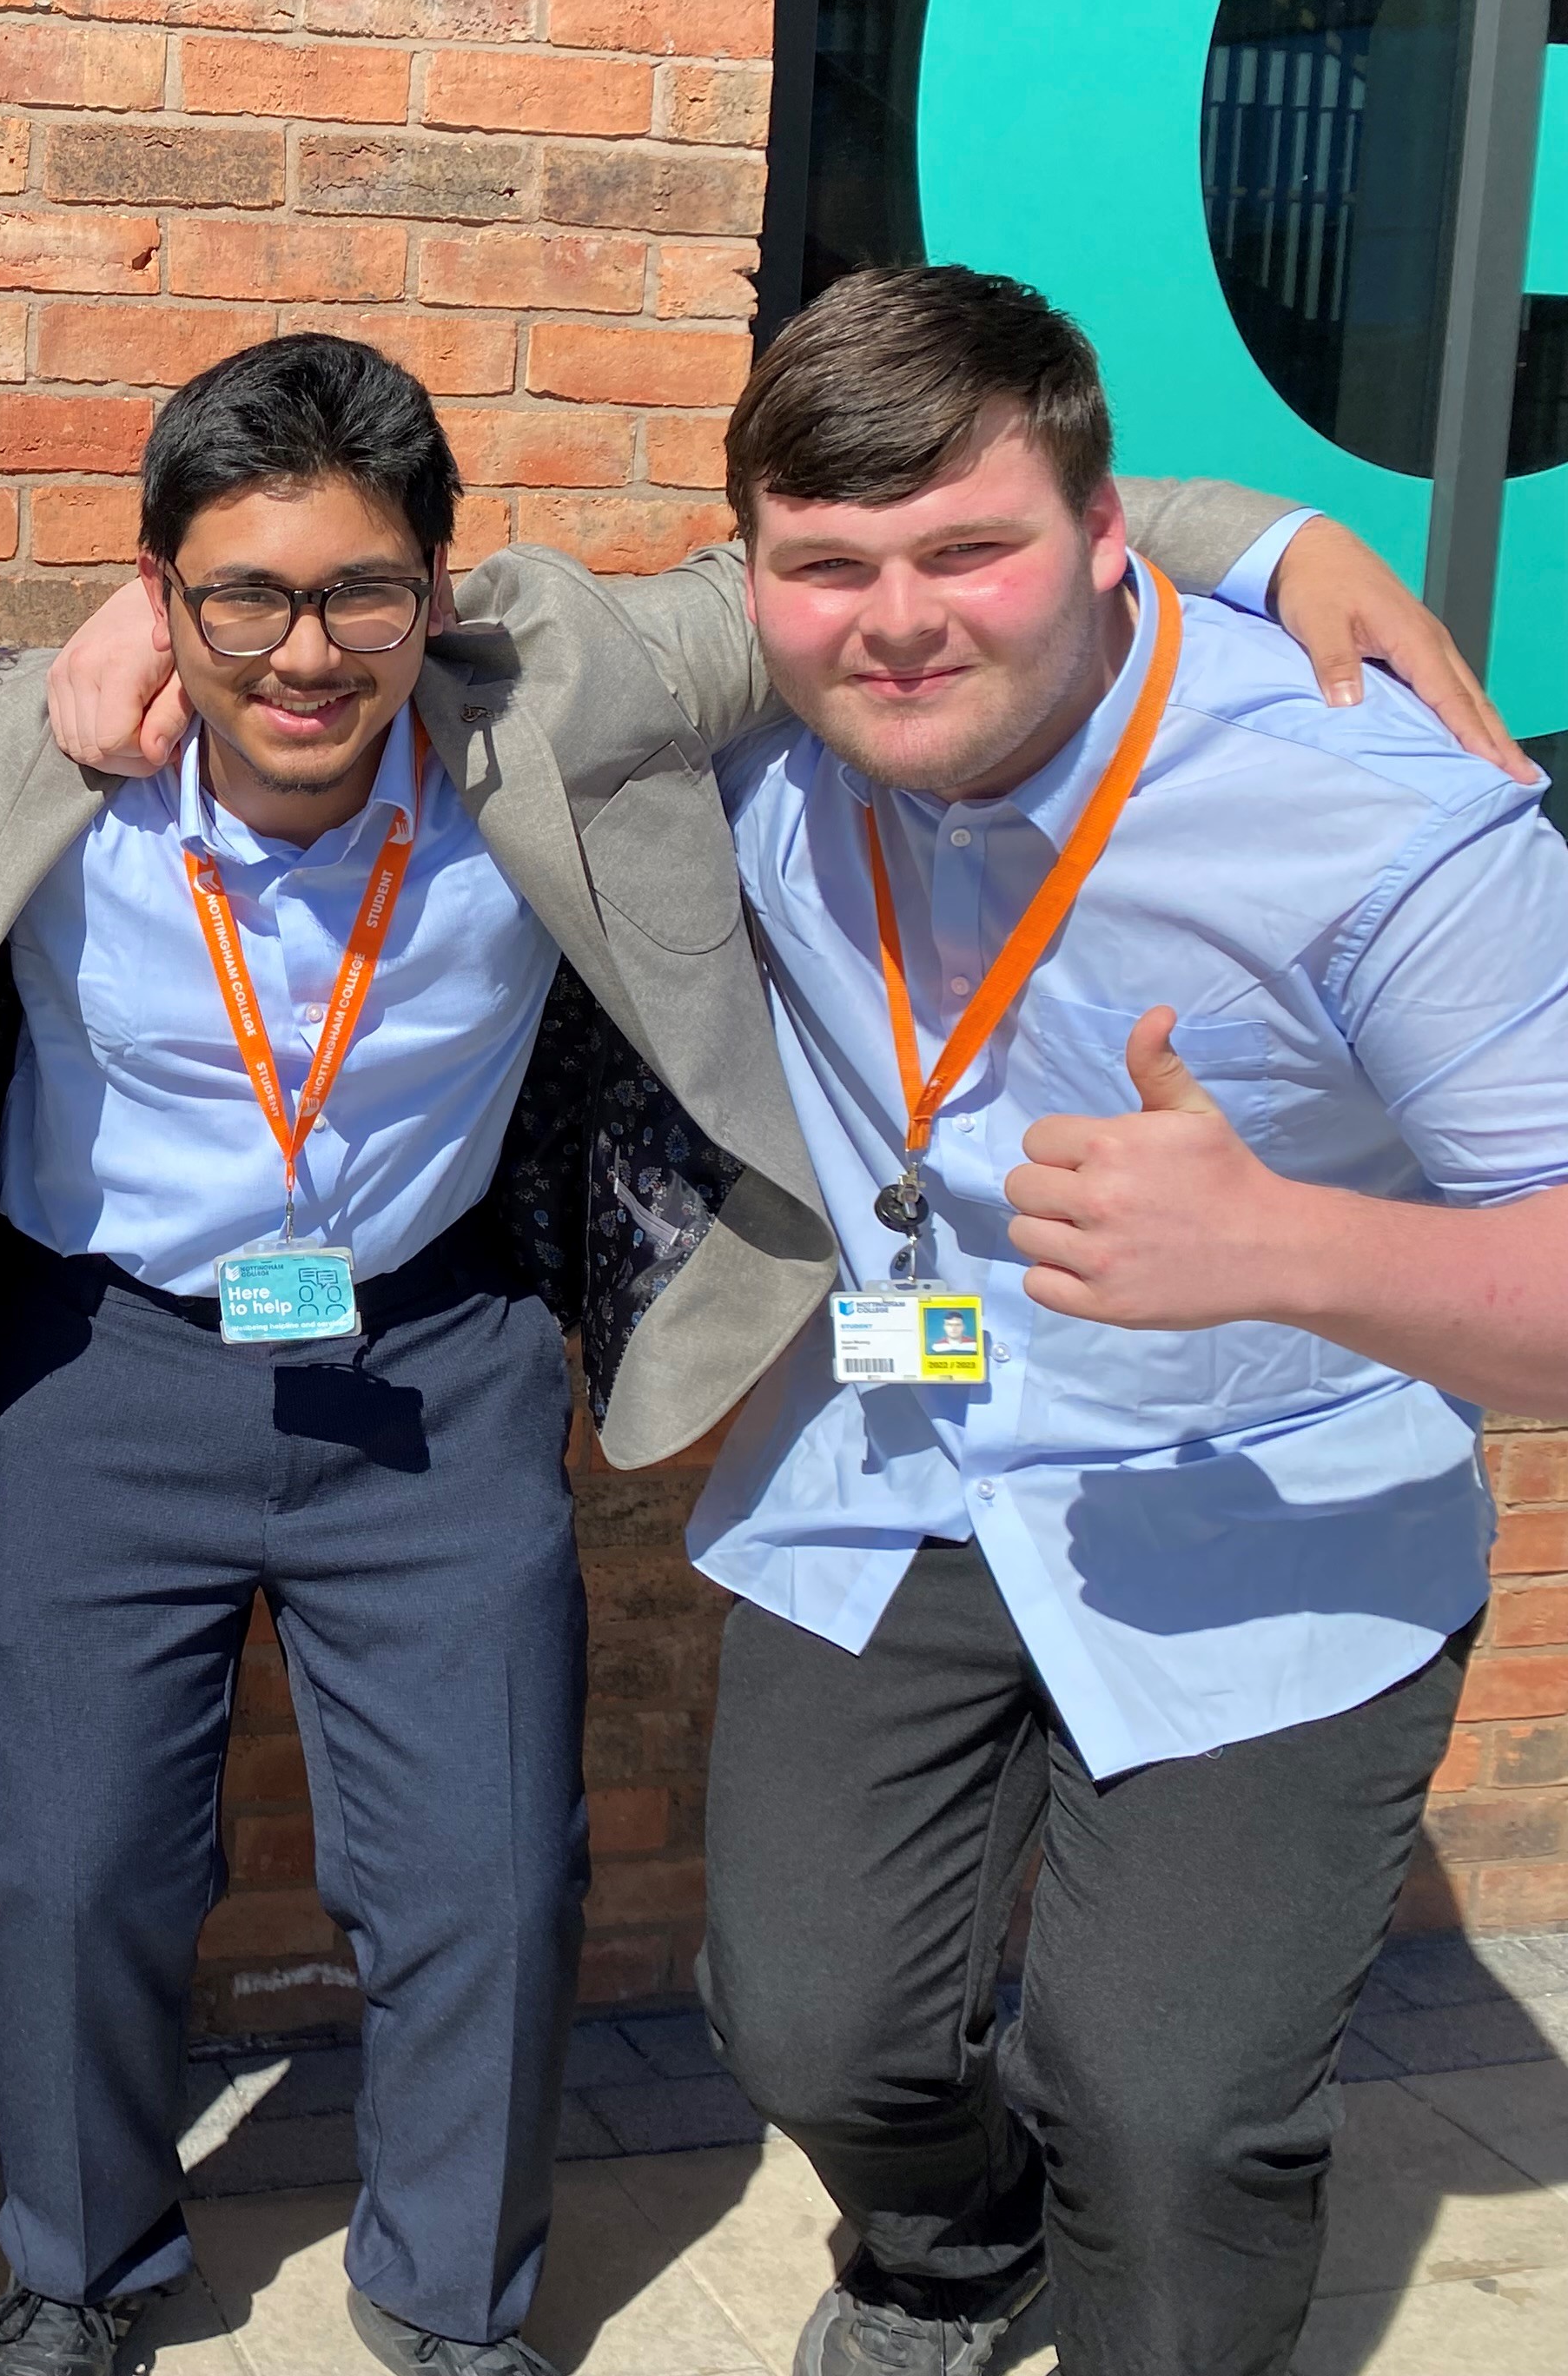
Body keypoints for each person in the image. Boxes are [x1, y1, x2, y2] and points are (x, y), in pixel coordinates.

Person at [0, 342, 1510, 2376]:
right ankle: (80, 2275)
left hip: (429, 1363)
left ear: (445, 588)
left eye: (363, 594)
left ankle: (453, 2308)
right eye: (241, 595)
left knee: (490, 1879)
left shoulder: (557, 694)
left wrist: (1272, 538)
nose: (305, 652)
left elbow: (898, 564)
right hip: (101, 1368)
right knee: (69, 1877)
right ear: (153, 593)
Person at [683, 266, 1568, 2376]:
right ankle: (954, 2263)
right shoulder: (753, 728)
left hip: (1267, 1506)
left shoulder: (1387, 811)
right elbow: (384, 638)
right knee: (807, 2023)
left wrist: (1290, 1249)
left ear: (1094, 541)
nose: (896, 621)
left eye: (970, 550)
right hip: (895, 1463)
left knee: (1169, 2122)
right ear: (752, 576)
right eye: (828, 567)